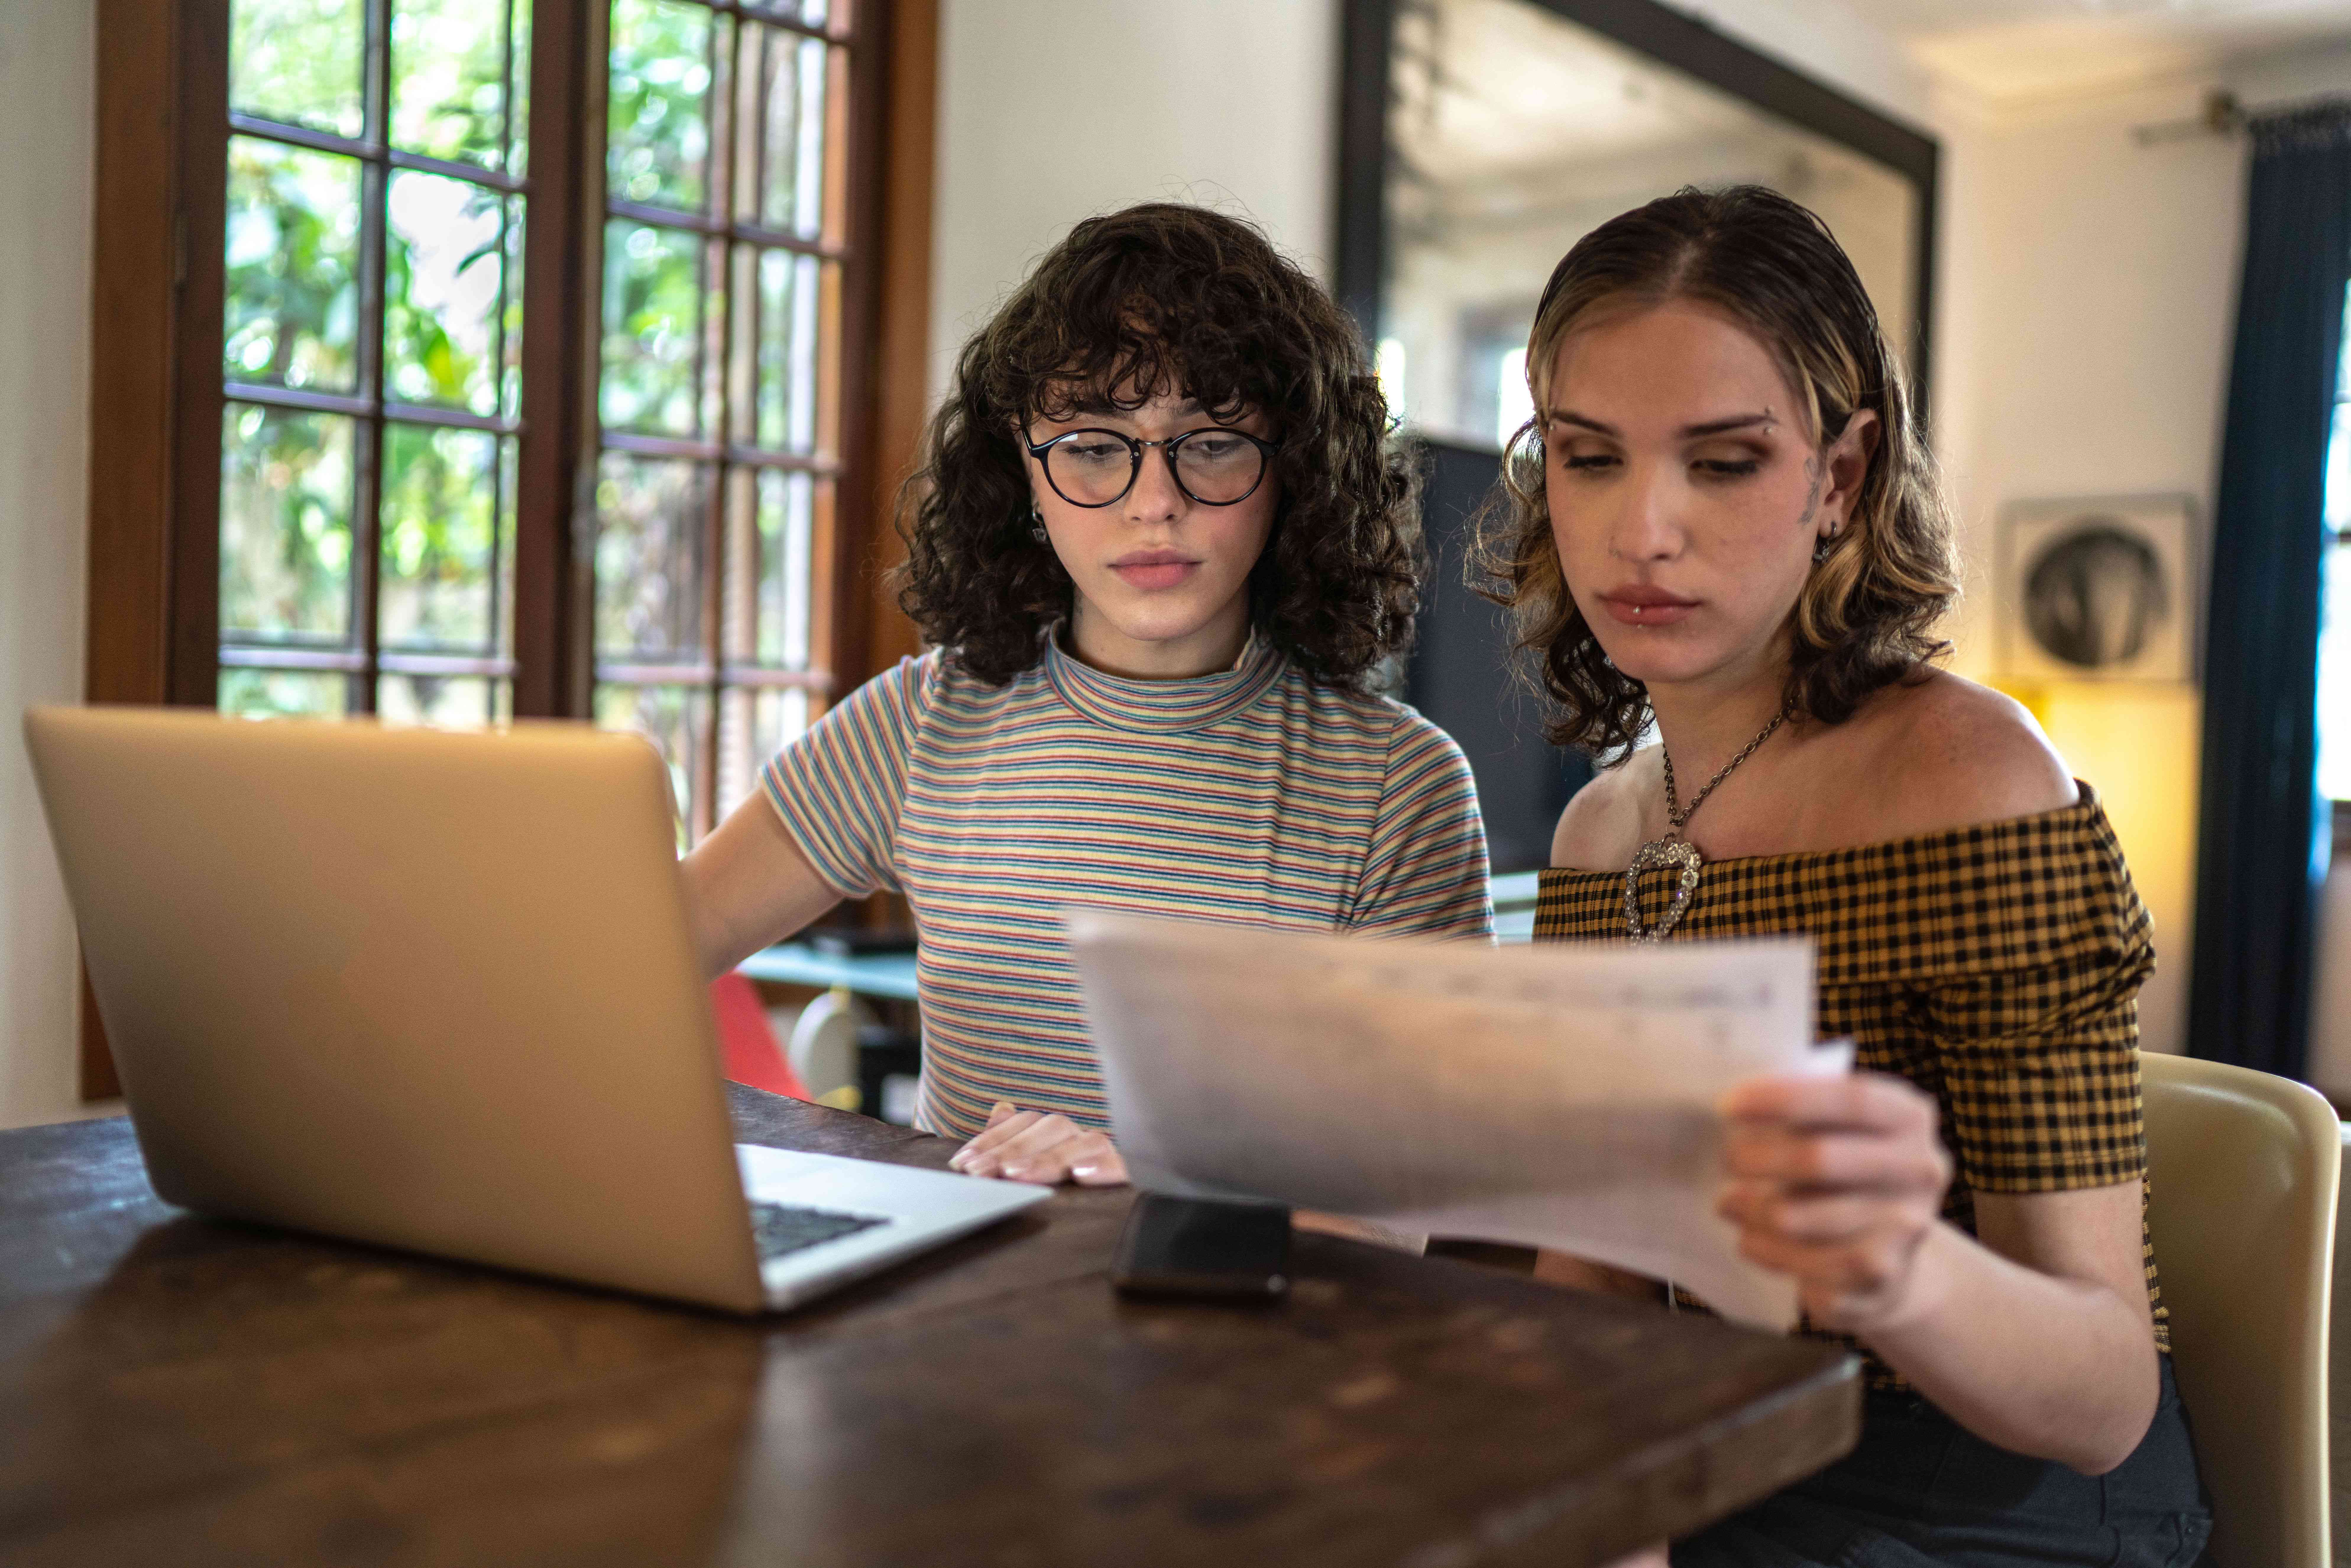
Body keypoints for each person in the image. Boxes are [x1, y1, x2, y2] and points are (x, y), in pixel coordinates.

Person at [1483, 186, 2210, 1565]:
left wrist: (1893, 1265)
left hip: (1974, 1489)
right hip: (1713, 1442)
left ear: (1839, 475)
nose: (1641, 529)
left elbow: (2104, 1397)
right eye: (1588, 458)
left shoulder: (1968, 784)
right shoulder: (1596, 837)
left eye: (1721, 462)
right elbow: (1594, 1281)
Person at [684, 203, 1493, 1185]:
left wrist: (1162, 1172)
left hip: (1247, 1322)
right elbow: (649, 947)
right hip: (949, 1302)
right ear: (1022, 470)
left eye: (1212, 442)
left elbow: (1428, 1182)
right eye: (1094, 446)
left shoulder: (1399, 788)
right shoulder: (917, 724)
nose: (1155, 503)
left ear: (1298, 470)